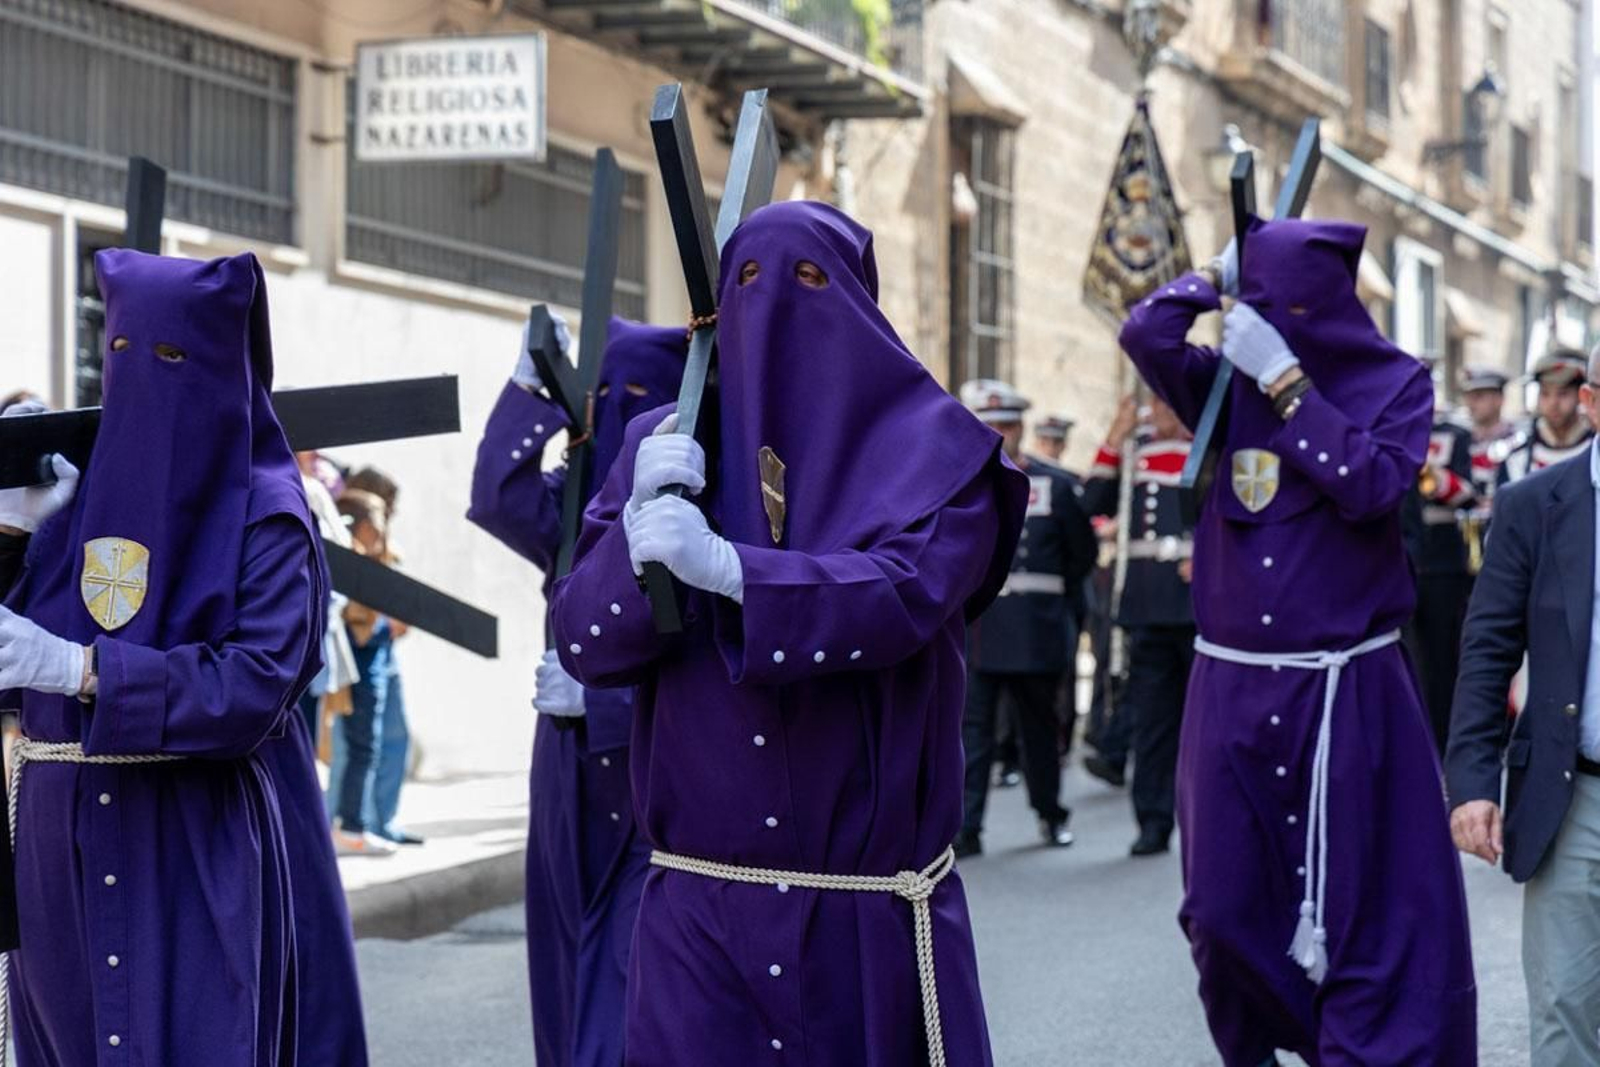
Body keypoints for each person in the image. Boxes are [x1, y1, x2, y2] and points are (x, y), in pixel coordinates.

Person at [551, 201, 1026, 1066]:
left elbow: (904, 595)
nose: (776, 307)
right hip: (701, 924)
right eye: (749, 283)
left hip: (865, 923)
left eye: (810, 280)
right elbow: (588, 645)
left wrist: (738, 572)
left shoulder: (943, 457)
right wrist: (632, 542)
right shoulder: (666, 446)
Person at [1119, 219, 1477, 1063]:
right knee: (1219, 908)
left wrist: (1288, 385)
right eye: (1259, 299)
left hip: (1345, 689)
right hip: (1232, 685)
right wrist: (1211, 276)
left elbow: (1375, 483)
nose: (1268, 316)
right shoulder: (1220, 385)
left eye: (1281, 303)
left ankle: (1363, 1048)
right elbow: (1145, 330)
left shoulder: (1396, 385)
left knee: (1367, 910)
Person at [0, 250, 335, 1063]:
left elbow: (255, 686)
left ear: (224, 362)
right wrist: (16, 538)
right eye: (120, 354)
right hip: (58, 843)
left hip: (187, 841)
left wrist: (85, 671)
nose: (143, 378)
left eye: (173, 357)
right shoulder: (80, 496)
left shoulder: (270, 512)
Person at [469, 312, 687, 1067]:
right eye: (602, 396)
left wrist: (599, 698)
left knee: (628, 966)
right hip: (565, 758)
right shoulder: (575, 498)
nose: (614, 413)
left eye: (633, 396)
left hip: (650, 759)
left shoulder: (694, 500)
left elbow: (696, 648)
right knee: (563, 954)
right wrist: (534, 386)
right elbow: (499, 496)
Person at [1447, 345, 1600, 1065]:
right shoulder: (1534, 505)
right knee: (1565, 1009)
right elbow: (1488, 650)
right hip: (1576, 797)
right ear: (1592, 402)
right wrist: (1473, 783)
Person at [956, 379, 1096, 858]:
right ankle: (966, 828)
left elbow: (1081, 556)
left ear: (1020, 430)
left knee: (1039, 733)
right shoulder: (959, 483)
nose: (998, 434)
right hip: (979, 627)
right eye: (987, 425)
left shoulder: (1056, 485)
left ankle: (1050, 815)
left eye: (1006, 426)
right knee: (972, 736)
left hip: (1036, 631)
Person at [1083, 392, 1196, 855]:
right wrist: (1114, 436)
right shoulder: (1135, 452)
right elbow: (1091, 501)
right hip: (1147, 608)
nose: (1160, 411)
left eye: (1168, 402)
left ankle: (1207, 818)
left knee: (1204, 724)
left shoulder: (1210, 448)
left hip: (1198, 607)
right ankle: (1152, 820)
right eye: (1155, 402)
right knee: (1152, 723)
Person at [341, 465, 420, 846]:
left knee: (391, 738)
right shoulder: (353, 538)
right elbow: (353, 610)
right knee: (358, 746)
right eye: (389, 504)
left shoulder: (382, 543)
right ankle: (354, 823)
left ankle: (380, 821)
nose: (393, 512)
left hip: (384, 653)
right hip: (366, 651)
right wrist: (385, 627)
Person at [1402, 386, 1478, 753]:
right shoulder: (1390, 428)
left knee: (1442, 660)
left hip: (1444, 564)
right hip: (1403, 562)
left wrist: (1433, 476)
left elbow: (1469, 493)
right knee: (1408, 658)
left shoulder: (1455, 435)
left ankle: (1445, 740)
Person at [329, 488, 399, 856]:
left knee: (365, 747)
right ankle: (349, 826)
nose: (382, 528)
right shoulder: (348, 561)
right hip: (355, 663)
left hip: (371, 661)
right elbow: (357, 620)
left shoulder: (374, 558)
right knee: (358, 747)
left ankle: (353, 823)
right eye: (376, 521)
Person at [1500, 351, 1593, 486]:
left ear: (1581, 396)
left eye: (1563, 394)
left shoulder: (1594, 448)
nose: (1553, 403)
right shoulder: (1517, 456)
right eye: (1545, 394)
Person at [1462, 366, 1516, 503]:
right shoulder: (1462, 440)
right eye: (1468, 397)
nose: (1471, 404)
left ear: (1499, 400)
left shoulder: (1516, 441)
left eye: (1479, 397)